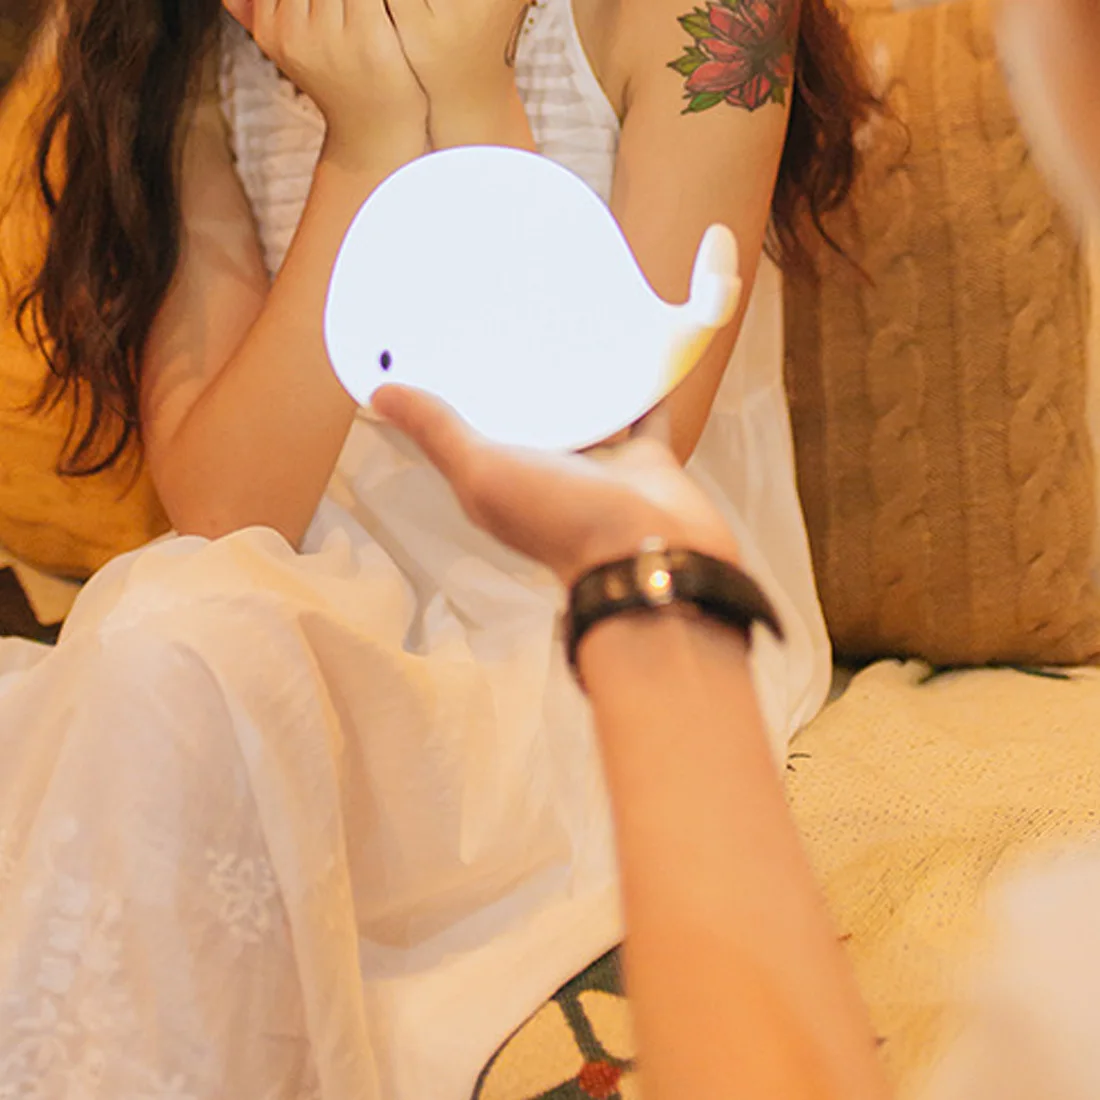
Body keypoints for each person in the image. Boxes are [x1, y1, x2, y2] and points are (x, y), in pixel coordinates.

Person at [0, 0, 879, 1095]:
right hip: (313, 582)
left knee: (174, 659)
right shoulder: (199, 46)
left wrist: (464, 96)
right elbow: (228, 508)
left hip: (603, 603)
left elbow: (617, 454)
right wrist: (366, 145)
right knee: (161, 650)